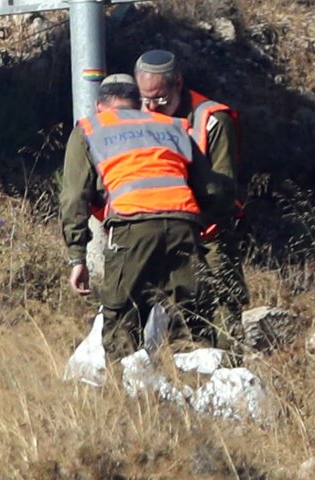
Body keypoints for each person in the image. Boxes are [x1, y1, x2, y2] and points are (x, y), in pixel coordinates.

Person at [60, 73, 226, 360]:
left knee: (123, 322)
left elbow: (74, 197)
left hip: (131, 228)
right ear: (139, 104)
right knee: (193, 320)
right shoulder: (172, 126)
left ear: (100, 105)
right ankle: (201, 392)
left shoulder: (89, 128)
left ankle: (125, 398)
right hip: (183, 226)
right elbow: (212, 189)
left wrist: (78, 257)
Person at [134, 49, 249, 353]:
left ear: (178, 84)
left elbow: (223, 191)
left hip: (207, 235)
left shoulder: (212, 121)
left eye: (159, 98)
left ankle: (227, 373)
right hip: (156, 234)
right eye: (144, 98)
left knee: (220, 316)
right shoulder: (138, 117)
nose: (151, 107)